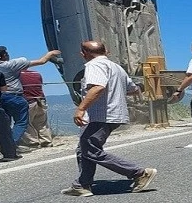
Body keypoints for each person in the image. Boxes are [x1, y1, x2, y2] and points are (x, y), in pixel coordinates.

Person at [61, 41, 157, 197]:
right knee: (83, 148)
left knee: (91, 149)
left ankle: (139, 173)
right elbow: (133, 90)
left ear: (83, 54)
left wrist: (81, 108)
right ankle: (82, 185)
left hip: (100, 115)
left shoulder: (93, 65)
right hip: (114, 114)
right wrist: (114, 92)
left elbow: (98, 87)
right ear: (106, 51)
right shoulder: (117, 68)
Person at [0, 45, 60, 146]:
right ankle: (14, 143)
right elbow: (41, 61)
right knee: (23, 121)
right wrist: (50, 54)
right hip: (16, 96)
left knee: (3, 124)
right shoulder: (12, 65)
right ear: (4, 55)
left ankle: (4, 145)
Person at [18, 69, 53, 148]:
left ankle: (33, 142)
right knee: (42, 123)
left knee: (26, 123)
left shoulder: (18, 75)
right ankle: (46, 141)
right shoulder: (36, 73)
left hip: (29, 101)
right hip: (40, 100)